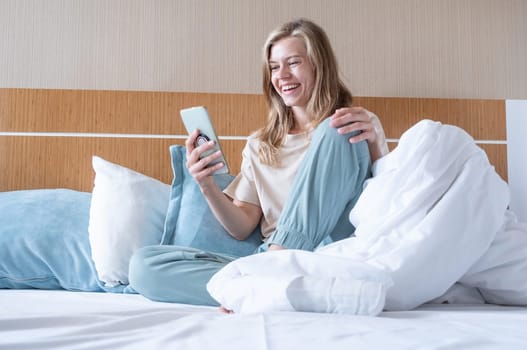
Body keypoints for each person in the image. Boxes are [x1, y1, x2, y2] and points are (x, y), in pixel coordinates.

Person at [128, 18, 389, 306]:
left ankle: (265, 281)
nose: (282, 75)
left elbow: (387, 204)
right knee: (145, 266)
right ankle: (279, 288)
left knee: (336, 128)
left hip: (332, 252)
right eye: (275, 67)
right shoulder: (260, 145)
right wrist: (206, 186)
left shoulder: (355, 123)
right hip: (269, 258)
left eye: (293, 63)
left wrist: (376, 144)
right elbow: (241, 227)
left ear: (319, 65)